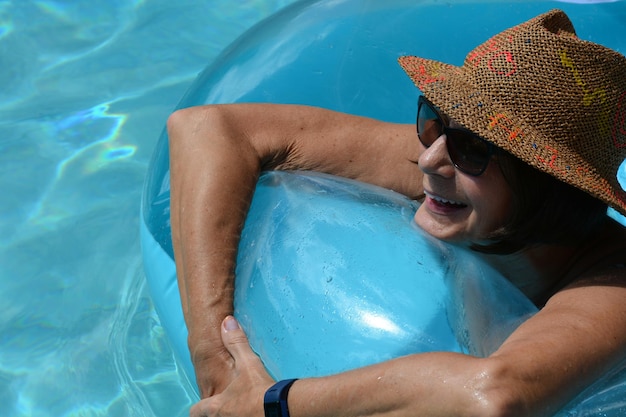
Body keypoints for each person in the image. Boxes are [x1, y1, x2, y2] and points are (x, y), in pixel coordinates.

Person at [167, 9, 626, 417]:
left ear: (550, 189)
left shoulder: (612, 284)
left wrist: (274, 403)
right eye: (434, 120)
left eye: (471, 148)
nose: (429, 160)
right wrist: (215, 361)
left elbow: (493, 396)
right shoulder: (455, 170)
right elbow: (204, 128)